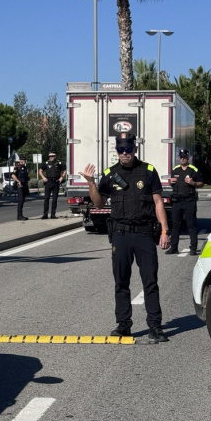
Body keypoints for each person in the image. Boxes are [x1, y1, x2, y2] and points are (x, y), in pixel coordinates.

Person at [80, 132, 171, 343]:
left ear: (134, 150)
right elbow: (99, 204)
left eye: (127, 150)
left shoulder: (148, 171)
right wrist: (91, 183)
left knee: (150, 281)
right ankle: (123, 325)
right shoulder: (110, 174)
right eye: (120, 150)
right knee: (121, 282)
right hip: (120, 234)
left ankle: (155, 326)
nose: (124, 154)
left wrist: (165, 231)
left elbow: (158, 202)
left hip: (144, 234)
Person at [166, 149, 204, 256]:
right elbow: (172, 183)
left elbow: (201, 184)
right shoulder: (175, 169)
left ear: (188, 158)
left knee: (191, 225)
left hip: (189, 200)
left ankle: (193, 248)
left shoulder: (193, 170)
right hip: (177, 201)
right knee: (175, 225)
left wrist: (193, 182)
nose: (182, 159)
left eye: (184, 157)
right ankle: (173, 248)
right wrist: (170, 182)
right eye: (181, 157)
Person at [39, 151, 66, 219]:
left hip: (56, 182)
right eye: (50, 156)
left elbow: (65, 170)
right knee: (46, 199)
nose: (51, 158)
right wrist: (43, 177)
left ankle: (53, 214)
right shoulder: (46, 163)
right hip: (48, 182)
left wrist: (61, 177)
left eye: (52, 156)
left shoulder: (59, 163)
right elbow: (40, 170)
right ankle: (45, 214)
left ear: (55, 157)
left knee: (54, 199)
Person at [12, 155, 30, 220]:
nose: (22, 161)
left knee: (23, 200)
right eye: (21, 160)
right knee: (21, 200)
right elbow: (13, 175)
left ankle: (21, 215)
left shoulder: (25, 168)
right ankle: (19, 216)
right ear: (19, 160)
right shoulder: (17, 167)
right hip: (20, 185)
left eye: (23, 160)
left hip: (25, 185)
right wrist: (18, 181)